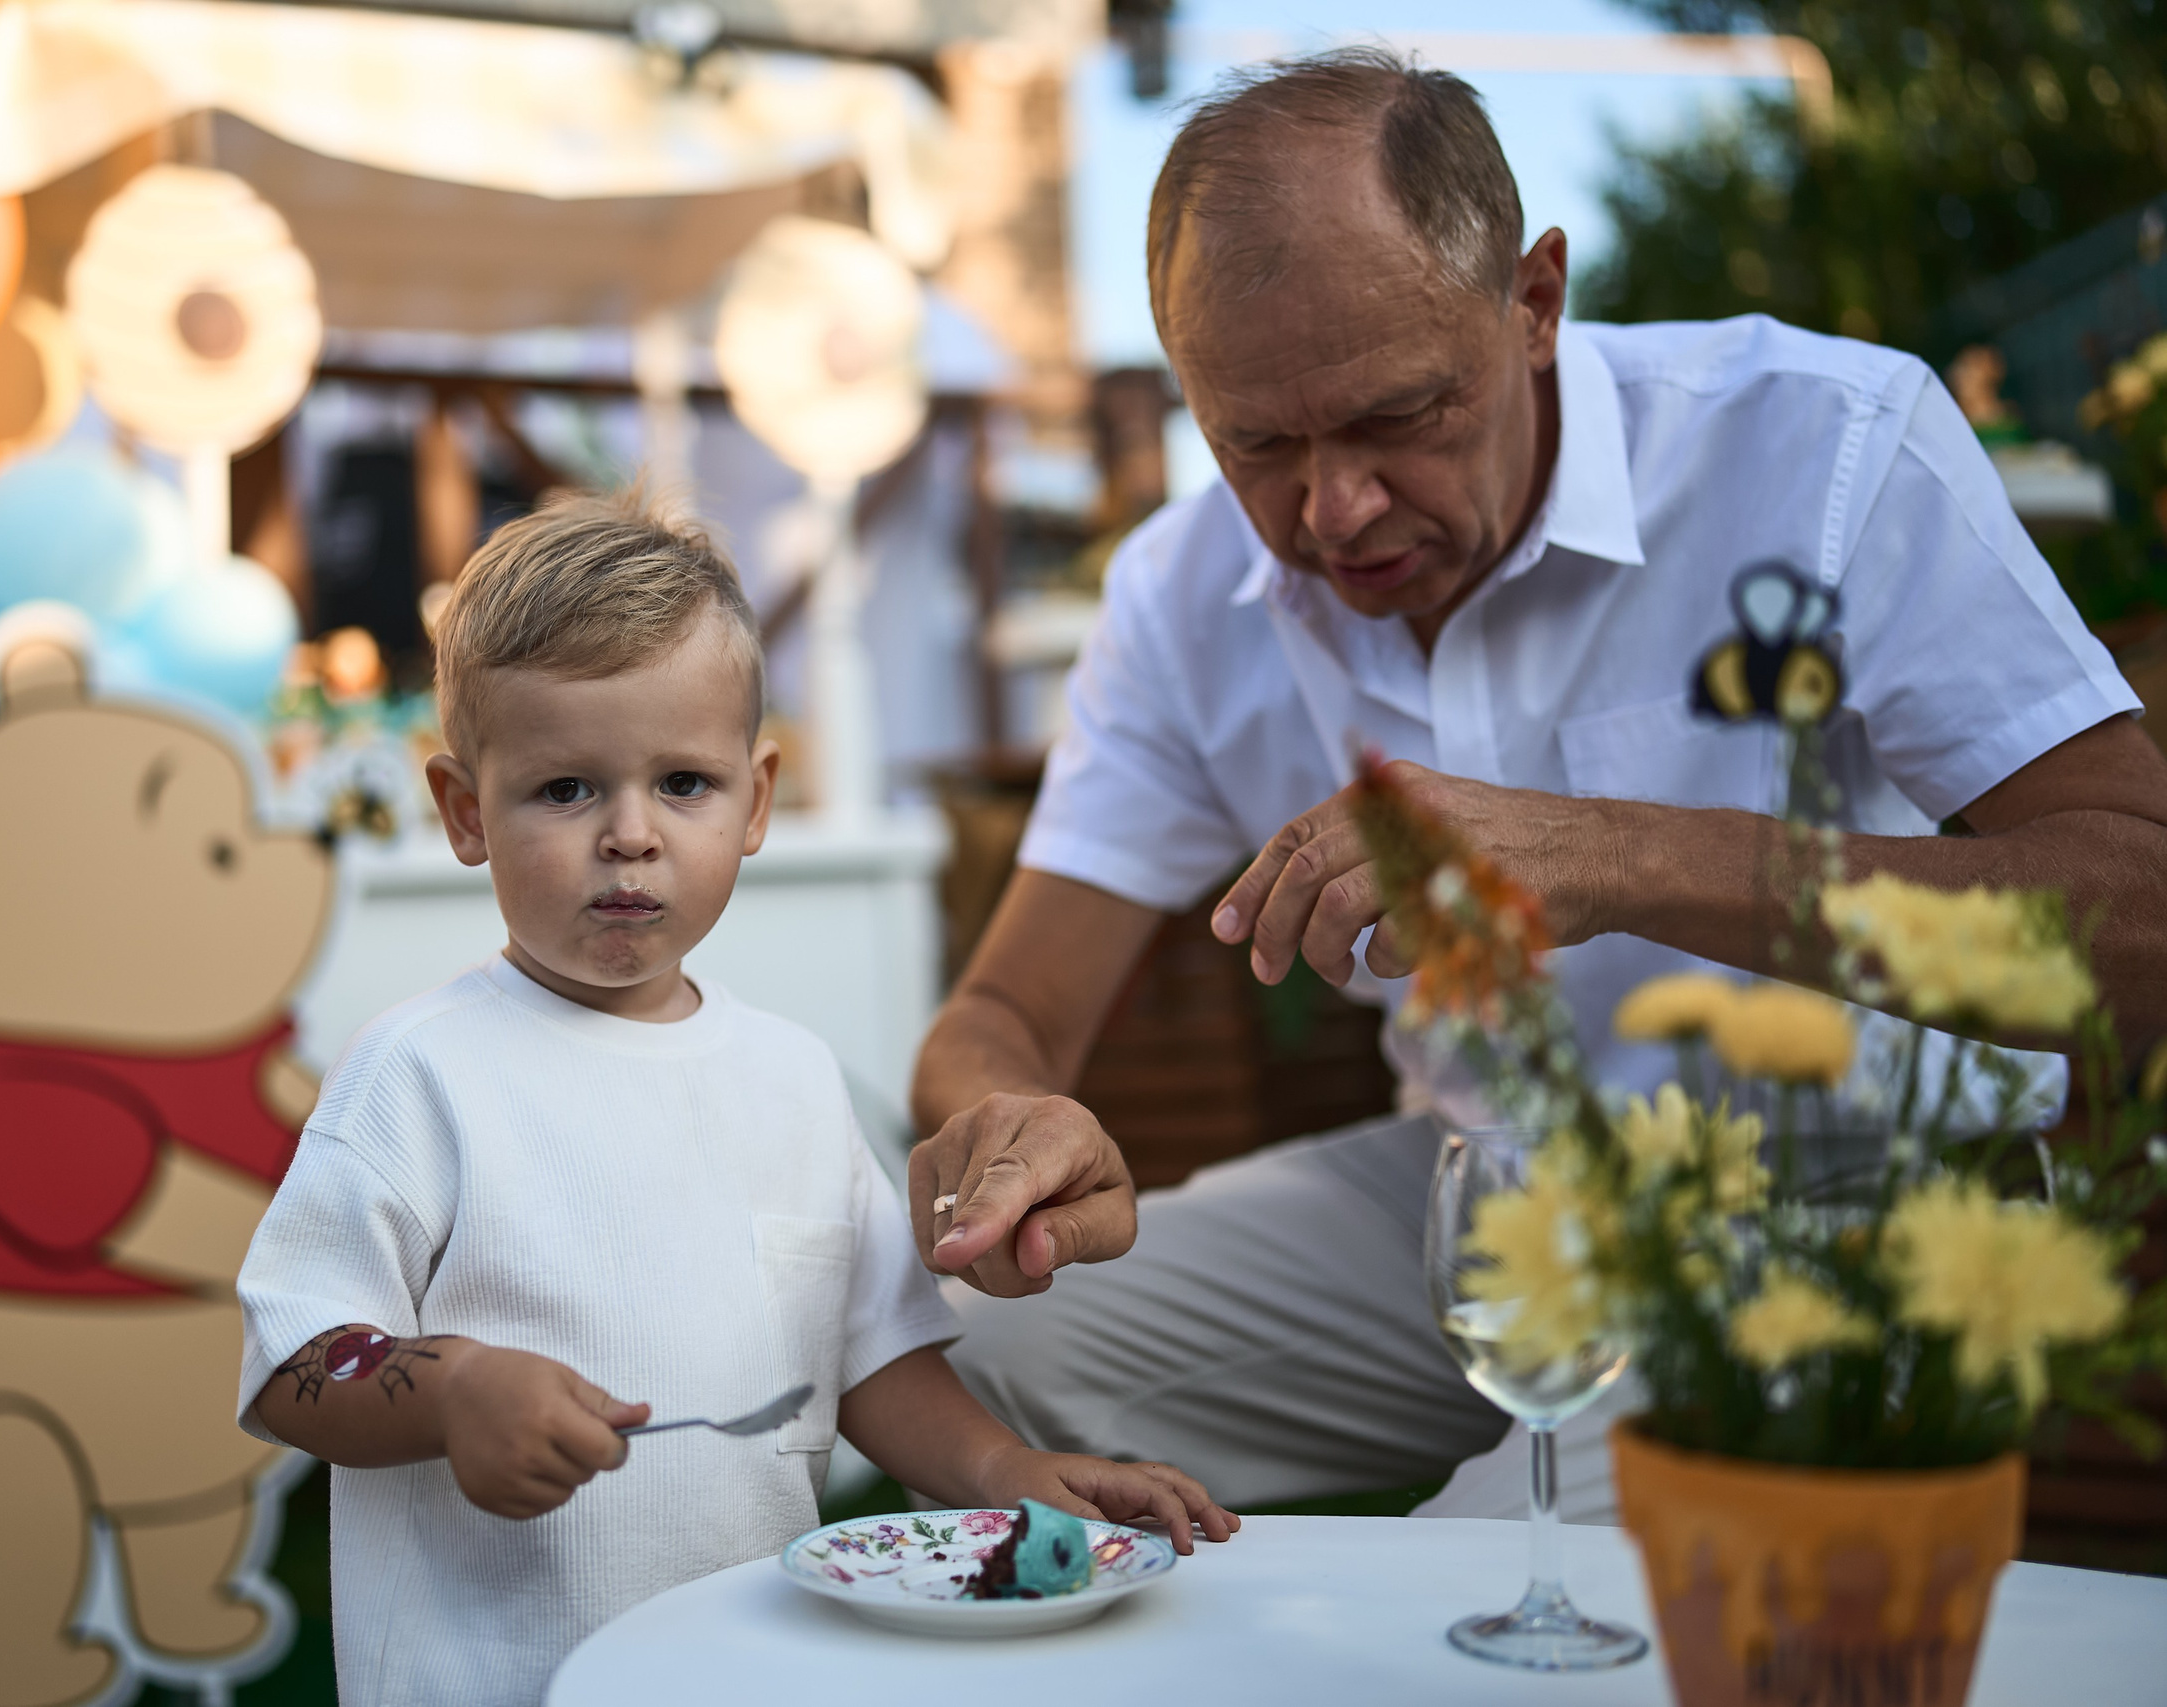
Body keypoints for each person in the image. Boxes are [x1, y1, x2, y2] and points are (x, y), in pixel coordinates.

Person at [909, 50, 2167, 1521]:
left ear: (1535, 300)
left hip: (1854, 1192)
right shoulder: (1180, 593)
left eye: (1398, 414)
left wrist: (1614, 854)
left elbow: (2141, 918)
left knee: (1496, 1566)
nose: (1332, 508)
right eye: (1254, 442)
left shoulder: (1822, 445)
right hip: (1476, 1184)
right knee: (953, 1356)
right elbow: (1000, 1016)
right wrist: (1006, 1129)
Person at [232, 495, 1236, 1707]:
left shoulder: (794, 1080)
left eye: (684, 783)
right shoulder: (417, 1077)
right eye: (564, 789)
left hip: (751, 1673)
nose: (630, 836)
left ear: (755, 801)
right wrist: (449, 1394)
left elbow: (872, 1352)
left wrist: (1002, 1471)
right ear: (463, 811)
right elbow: (291, 1360)